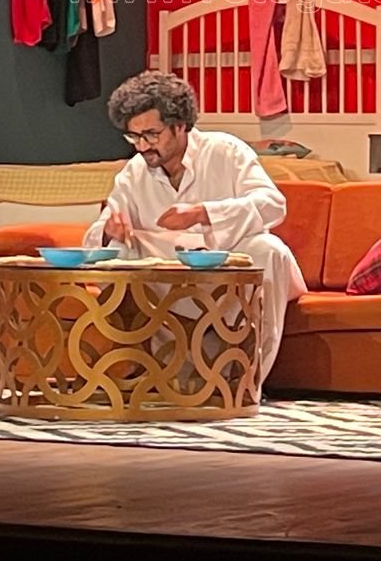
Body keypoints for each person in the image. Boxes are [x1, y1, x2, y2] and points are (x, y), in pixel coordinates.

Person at [84, 70, 306, 382]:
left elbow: (272, 205)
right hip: (169, 283)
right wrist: (110, 230)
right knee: (121, 250)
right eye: (134, 137)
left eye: (151, 135)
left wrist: (203, 213)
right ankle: (162, 374)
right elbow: (99, 235)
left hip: (229, 275)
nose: (142, 146)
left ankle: (246, 381)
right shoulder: (134, 172)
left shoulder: (226, 151)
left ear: (179, 125)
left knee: (268, 249)